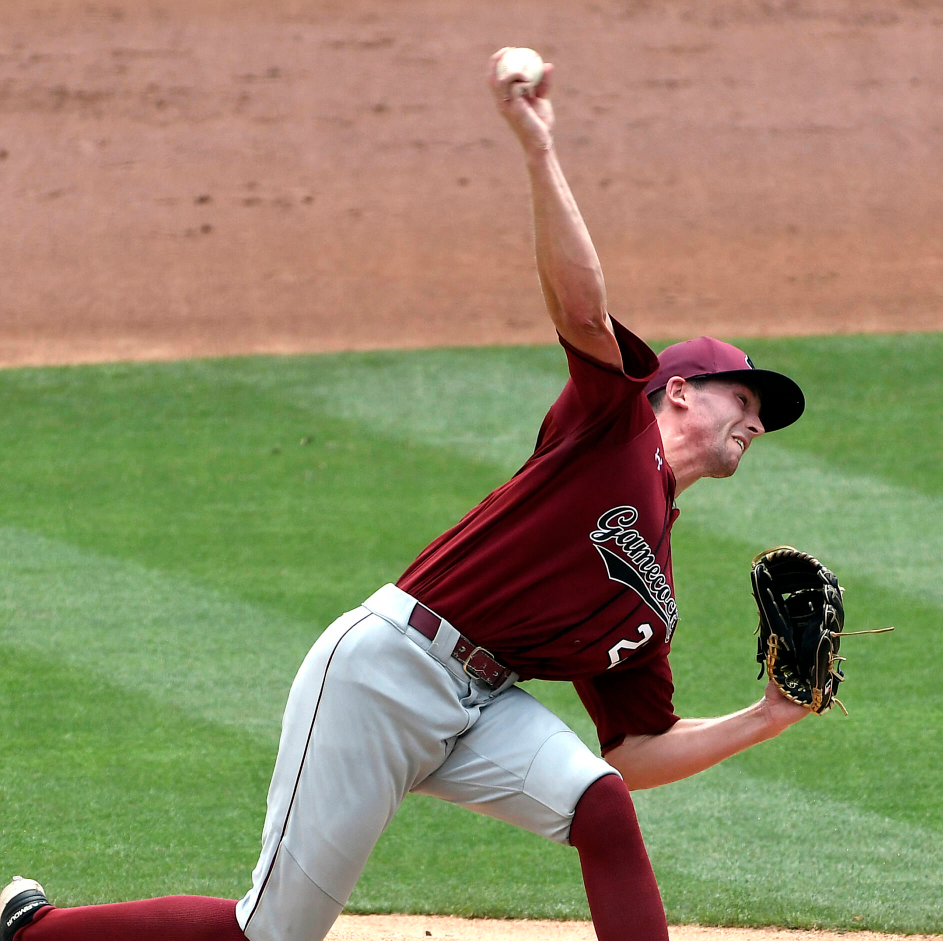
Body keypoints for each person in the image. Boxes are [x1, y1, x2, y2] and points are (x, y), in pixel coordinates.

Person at [1, 49, 812, 941]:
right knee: (269, 933)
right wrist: (538, 148)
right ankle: (30, 930)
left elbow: (636, 749)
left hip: (483, 703)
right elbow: (582, 313)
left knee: (604, 804)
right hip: (386, 673)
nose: (757, 421)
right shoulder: (609, 424)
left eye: (764, 414)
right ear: (681, 390)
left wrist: (769, 714)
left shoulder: (653, 587)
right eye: (747, 397)